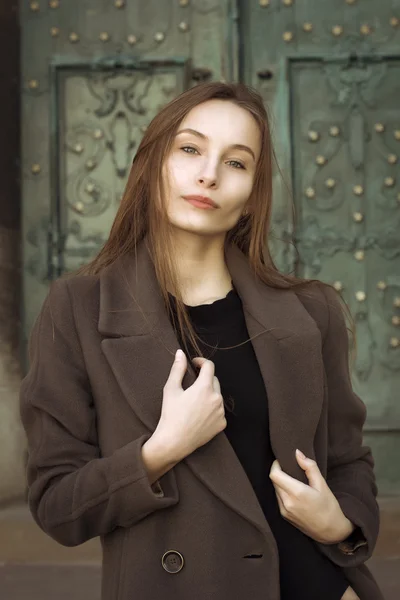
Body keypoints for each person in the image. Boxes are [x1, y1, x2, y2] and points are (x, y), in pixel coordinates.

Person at [20, 82, 383, 600]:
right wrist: (158, 452)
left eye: (236, 163)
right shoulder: (78, 308)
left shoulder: (312, 310)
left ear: (253, 196)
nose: (208, 174)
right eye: (190, 149)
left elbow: (347, 461)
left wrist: (341, 525)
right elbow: (57, 504)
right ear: (153, 164)